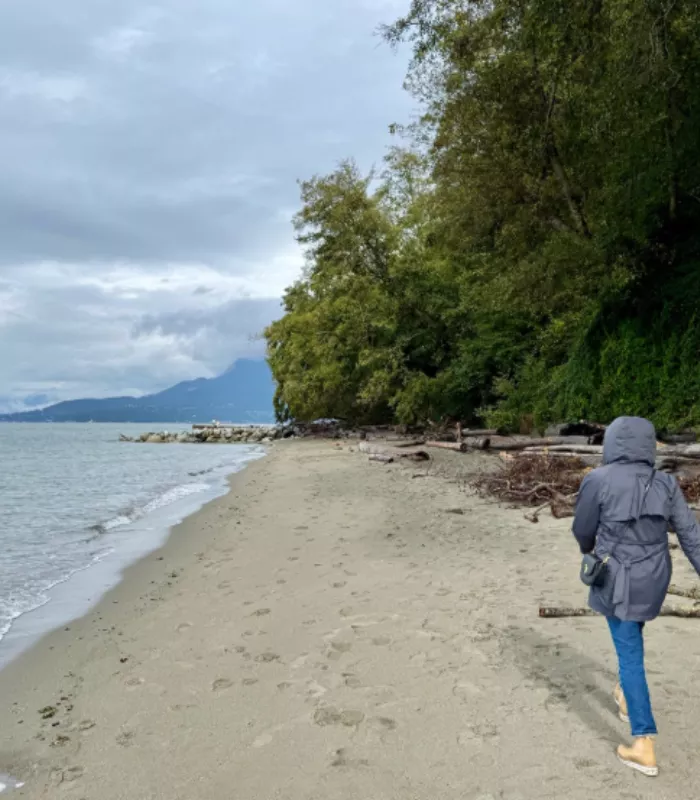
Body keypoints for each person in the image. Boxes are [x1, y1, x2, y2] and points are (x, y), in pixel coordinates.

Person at [572, 416, 700, 777]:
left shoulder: (597, 479)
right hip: (655, 577)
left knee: (629, 654)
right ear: (648, 445)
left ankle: (643, 743)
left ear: (611, 442)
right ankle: (627, 694)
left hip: (618, 579)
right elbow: (691, 536)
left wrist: (589, 550)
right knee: (632, 636)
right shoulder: (665, 483)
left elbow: (582, 529)